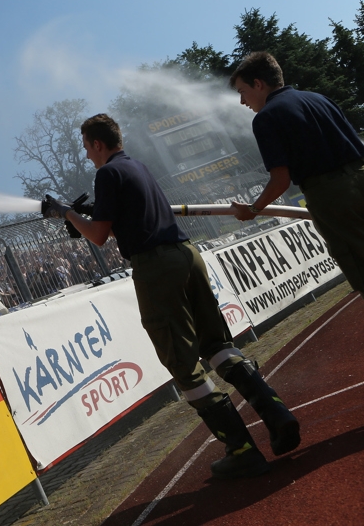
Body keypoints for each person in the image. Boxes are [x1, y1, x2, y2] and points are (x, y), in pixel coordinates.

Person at [45, 113, 300, 480]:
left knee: (182, 362)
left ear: (98, 144)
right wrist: (88, 215)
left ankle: (241, 449)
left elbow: (99, 236)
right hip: (185, 254)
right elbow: (127, 223)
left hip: (156, 267)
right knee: (216, 344)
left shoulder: (107, 174)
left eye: (87, 147)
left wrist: (67, 213)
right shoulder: (137, 167)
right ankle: (277, 414)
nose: (87, 155)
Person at [229, 52, 364, 294]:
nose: (242, 101)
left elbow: (280, 181)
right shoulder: (319, 98)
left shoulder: (266, 118)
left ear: (258, 84)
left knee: (358, 259)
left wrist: (253, 210)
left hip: (333, 197)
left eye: (242, 92)